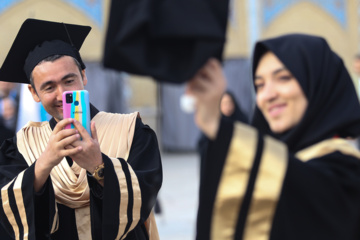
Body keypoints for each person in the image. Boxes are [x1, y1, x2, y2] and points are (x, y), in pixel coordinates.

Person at [0, 18, 162, 240]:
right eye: (49, 87)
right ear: (34, 93)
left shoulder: (130, 130)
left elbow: (145, 199)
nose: (62, 95)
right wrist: (44, 163)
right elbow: (7, 213)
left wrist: (99, 166)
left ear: (84, 76)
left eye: (69, 81)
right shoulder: (22, 146)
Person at [187, 34, 360, 239]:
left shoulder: (345, 170)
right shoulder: (283, 157)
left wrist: (220, 129)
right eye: (259, 85)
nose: (267, 95)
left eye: (283, 78)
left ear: (318, 83)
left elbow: (308, 192)